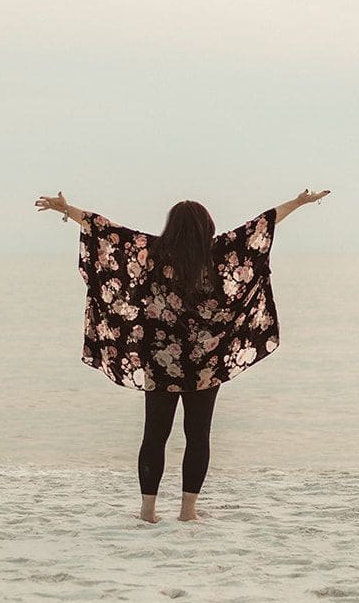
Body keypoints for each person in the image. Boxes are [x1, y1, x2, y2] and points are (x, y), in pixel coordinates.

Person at [34, 189, 331, 523]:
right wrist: (298, 202)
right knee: (198, 434)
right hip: (205, 362)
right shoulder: (218, 252)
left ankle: (147, 511)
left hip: (159, 361)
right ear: (206, 227)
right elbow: (262, 224)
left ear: (171, 226)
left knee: (154, 435)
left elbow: (105, 230)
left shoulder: (150, 252)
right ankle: (188, 511)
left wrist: (66, 208)